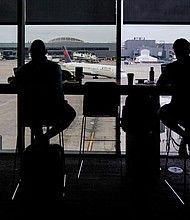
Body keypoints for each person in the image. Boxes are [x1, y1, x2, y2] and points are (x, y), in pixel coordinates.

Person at [9, 39, 76, 146]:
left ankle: (39, 141)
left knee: (34, 112)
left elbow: (14, 84)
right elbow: (57, 88)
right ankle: (44, 139)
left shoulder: (24, 69)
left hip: (31, 112)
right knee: (71, 114)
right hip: (53, 111)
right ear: (45, 51)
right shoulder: (55, 68)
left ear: (30, 53)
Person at [156, 38, 190, 156]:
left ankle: (185, 136)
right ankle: (186, 139)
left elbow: (159, 85)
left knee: (162, 112)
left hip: (178, 109)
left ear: (175, 51)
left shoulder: (172, 68)